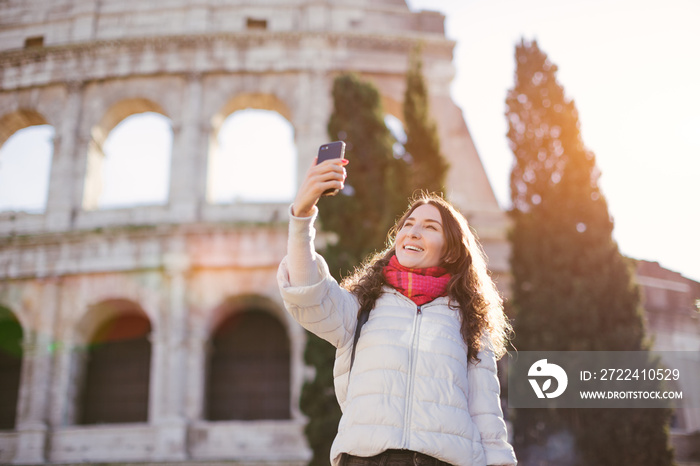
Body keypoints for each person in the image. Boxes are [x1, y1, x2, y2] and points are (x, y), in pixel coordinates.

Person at [277, 155, 517, 466]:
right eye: (408, 224)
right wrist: (302, 215)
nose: (413, 232)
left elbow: (486, 415)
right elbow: (306, 292)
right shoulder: (362, 306)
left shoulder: (469, 320)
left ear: (451, 248)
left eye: (430, 227)